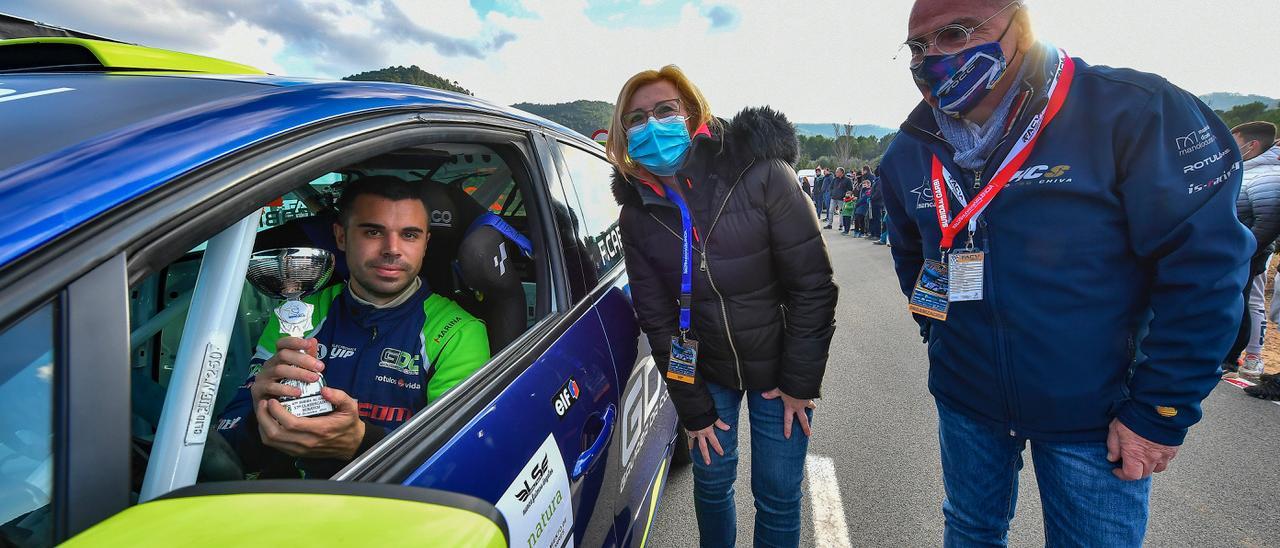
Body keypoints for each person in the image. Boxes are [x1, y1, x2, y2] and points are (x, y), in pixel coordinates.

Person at [878, 1, 1251, 545]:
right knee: (968, 529)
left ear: (1019, 28)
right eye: (918, 45)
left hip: (1095, 412)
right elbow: (916, 260)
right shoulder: (909, 150)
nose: (931, 55)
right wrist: (938, 333)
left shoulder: (1131, 110)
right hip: (966, 399)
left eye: (955, 33)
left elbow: (1205, 270)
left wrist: (1158, 408)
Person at [606, 65, 837, 548]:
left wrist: (799, 382)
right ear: (623, 134)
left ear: (692, 115)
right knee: (711, 486)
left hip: (780, 367)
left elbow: (813, 286)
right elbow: (657, 318)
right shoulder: (636, 213)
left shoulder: (762, 175)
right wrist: (692, 409)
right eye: (637, 118)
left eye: (664, 110)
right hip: (707, 367)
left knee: (777, 494)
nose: (652, 125)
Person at [217, 176, 491, 478]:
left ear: (426, 243)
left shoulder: (457, 331)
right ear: (341, 237)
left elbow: (455, 462)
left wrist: (362, 441)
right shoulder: (299, 314)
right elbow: (228, 443)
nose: (392, 249)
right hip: (284, 503)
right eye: (373, 231)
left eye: (409, 235)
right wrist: (259, 421)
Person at [1224, 121, 1280, 380]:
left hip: (1248, 252)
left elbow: (1267, 222)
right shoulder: (1246, 169)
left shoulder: (1268, 175)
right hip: (1236, 249)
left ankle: (1239, 355)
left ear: (1252, 145)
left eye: (1235, 143)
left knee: (1244, 302)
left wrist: (1242, 252)